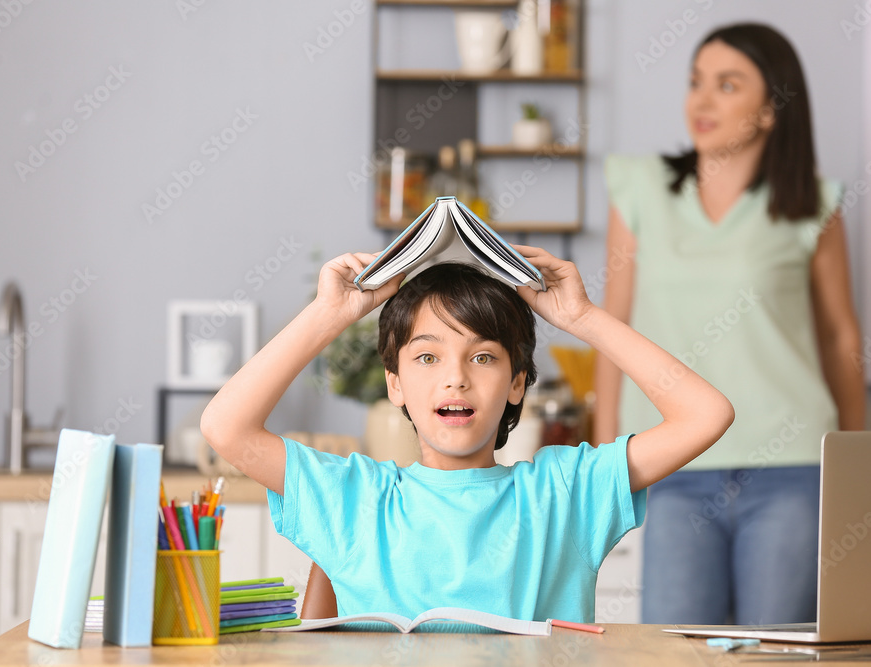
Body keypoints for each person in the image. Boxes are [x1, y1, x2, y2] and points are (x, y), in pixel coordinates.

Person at [202, 246, 734, 621]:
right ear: (396, 386)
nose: (455, 376)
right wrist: (329, 314)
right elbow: (224, 427)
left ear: (517, 384)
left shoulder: (567, 492)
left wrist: (582, 317)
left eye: (482, 357)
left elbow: (705, 415)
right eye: (427, 357)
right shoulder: (354, 497)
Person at [595, 23, 866, 626]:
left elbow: (839, 335)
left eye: (727, 85)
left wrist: (855, 465)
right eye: (695, 83)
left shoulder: (813, 204)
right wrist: (605, 462)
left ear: (771, 108)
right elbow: (611, 326)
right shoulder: (638, 188)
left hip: (793, 466)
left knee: (777, 653)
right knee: (673, 653)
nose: (702, 100)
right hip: (671, 462)